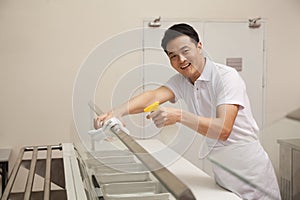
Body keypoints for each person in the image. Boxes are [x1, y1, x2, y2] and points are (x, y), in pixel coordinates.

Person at [94, 23, 281, 200]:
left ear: (199, 46)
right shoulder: (181, 81)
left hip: (253, 174)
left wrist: (179, 116)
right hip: (223, 175)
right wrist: (116, 112)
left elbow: (223, 130)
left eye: (185, 51)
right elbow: (152, 96)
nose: (181, 60)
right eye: (173, 56)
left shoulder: (225, 77)